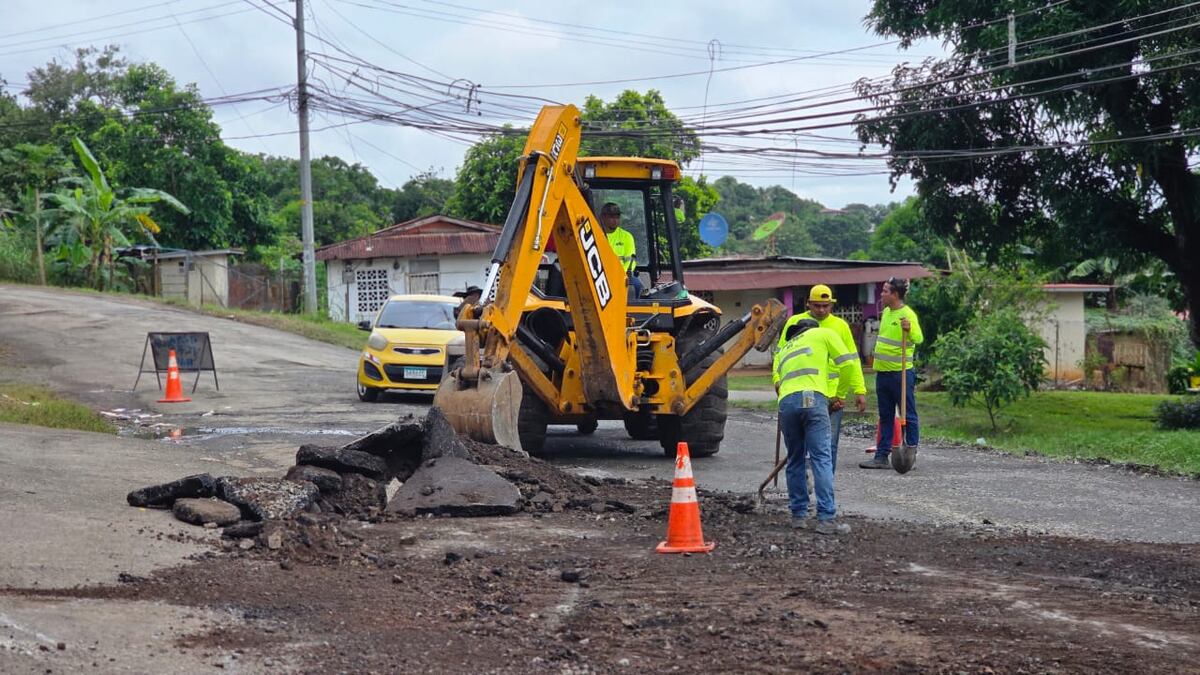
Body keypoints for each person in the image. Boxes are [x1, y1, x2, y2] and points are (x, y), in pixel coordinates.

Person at [772, 318, 859, 535]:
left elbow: (779, 382)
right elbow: (848, 363)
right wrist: (839, 394)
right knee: (821, 458)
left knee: (794, 459)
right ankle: (826, 518)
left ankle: (798, 516)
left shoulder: (785, 348)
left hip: (787, 403)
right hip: (812, 399)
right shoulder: (823, 333)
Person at [777, 284, 867, 472]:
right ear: (808, 303)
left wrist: (859, 390)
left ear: (831, 305)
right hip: (806, 392)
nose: (821, 310)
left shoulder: (840, 326)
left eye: (826, 306)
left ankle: (826, 485)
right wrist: (777, 379)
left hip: (833, 395)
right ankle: (804, 483)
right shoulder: (795, 323)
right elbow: (781, 354)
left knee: (829, 443)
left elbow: (851, 359)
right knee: (801, 444)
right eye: (817, 305)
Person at [860, 277, 923, 469]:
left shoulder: (907, 314)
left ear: (895, 295)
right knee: (885, 415)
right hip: (883, 374)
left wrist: (909, 329)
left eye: (885, 291)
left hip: (901, 374)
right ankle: (881, 456)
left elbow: (918, 338)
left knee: (908, 415)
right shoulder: (886, 312)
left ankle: (910, 454)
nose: (882, 294)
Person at [598, 201, 642, 296]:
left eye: (617, 217)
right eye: (611, 217)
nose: (615, 220)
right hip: (599, 275)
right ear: (603, 217)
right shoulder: (595, 234)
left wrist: (621, 274)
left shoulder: (626, 236)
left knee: (637, 285)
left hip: (622, 275)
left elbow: (631, 260)